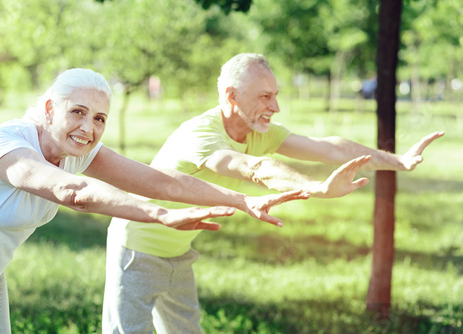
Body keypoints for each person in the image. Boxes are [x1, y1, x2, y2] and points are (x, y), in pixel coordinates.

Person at [103, 53, 443, 333]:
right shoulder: (201, 134)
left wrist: (397, 160)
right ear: (231, 96)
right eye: (265, 97)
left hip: (178, 252)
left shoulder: (258, 129)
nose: (275, 107)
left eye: (275, 94)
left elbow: (327, 148)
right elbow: (253, 167)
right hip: (137, 250)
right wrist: (317, 188)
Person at [0, 68, 313, 334]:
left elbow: (157, 180)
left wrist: (242, 200)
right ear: (50, 109)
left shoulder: (77, 150)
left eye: (99, 118)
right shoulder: (6, 145)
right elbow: (73, 193)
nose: (88, 128)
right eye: (78, 112)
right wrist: (159, 215)